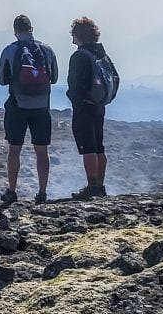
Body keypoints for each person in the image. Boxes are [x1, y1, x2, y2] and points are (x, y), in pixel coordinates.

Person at [0, 14, 59, 205]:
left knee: (14, 150)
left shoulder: (10, 50)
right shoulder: (47, 50)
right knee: (42, 151)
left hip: (18, 106)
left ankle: (12, 191)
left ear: (15, 31)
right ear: (31, 29)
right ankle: (42, 193)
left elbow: (1, 79)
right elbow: (54, 78)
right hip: (41, 107)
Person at [66, 16, 120, 199]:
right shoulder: (101, 54)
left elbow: (75, 84)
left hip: (84, 107)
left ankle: (91, 187)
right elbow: (116, 78)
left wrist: (75, 99)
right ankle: (100, 185)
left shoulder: (79, 56)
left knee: (88, 147)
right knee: (99, 146)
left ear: (78, 35)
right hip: (99, 106)